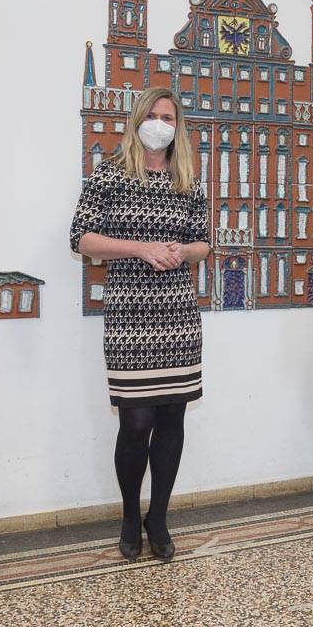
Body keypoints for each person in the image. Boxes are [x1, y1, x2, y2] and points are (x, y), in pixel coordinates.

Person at [70, 87, 211, 563]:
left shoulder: (188, 180)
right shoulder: (110, 174)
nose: (159, 123)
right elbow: (82, 237)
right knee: (135, 421)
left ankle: (160, 517)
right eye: (151, 115)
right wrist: (140, 248)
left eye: (168, 116)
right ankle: (131, 513)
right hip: (130, 317)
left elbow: (203, 244)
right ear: (136, 121)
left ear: (179, 126)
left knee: (172, 415)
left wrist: (181, 251)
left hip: (177, 315)